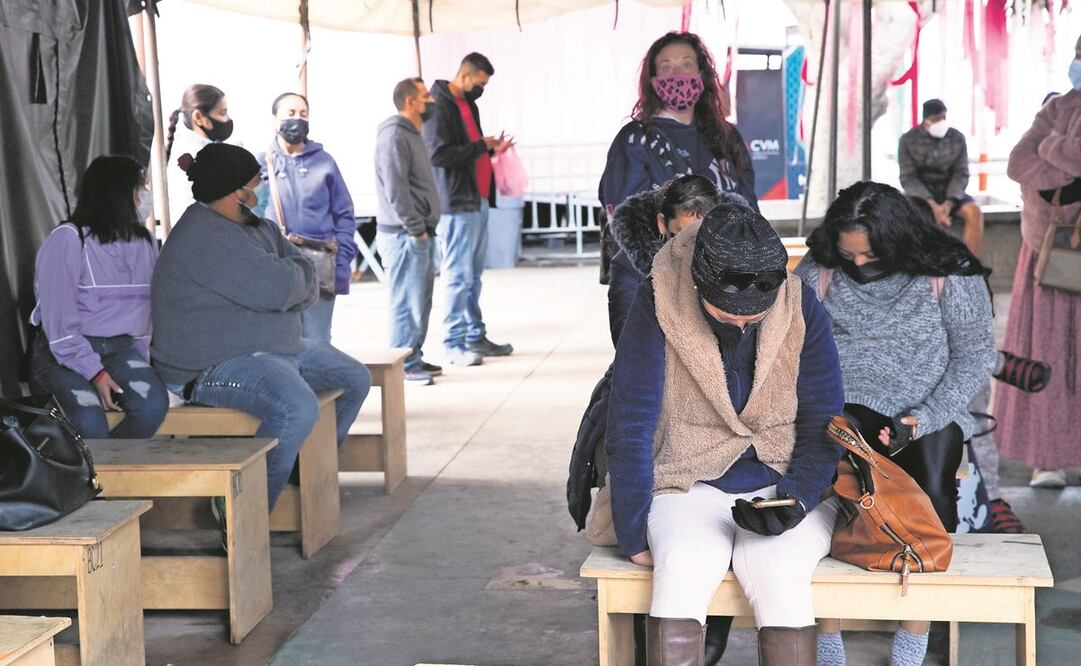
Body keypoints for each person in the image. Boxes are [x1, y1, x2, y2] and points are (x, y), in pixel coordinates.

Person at [607, 204, 844, 665]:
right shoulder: (657, 303)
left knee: (781, 573)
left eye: (754, 318)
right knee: (681, 567)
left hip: (782, 478)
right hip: (686, 477)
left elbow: (823, 421)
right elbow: (631, 423)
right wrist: (633, 533)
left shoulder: (801, 307)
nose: (741, 324)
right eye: (728, 313)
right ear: (699, 284)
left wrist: (796, 499)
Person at [795, 182, 996, 666]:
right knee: (822, 494)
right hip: (836, 406)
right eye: (849, 257)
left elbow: (975, 354)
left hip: (925, 411)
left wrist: (924, 418)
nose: (859, 266)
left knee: (928, 494)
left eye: (871, 257)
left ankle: (914, 633)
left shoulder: (947, 269)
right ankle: (827, 634)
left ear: (899, 242)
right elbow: (789, 347)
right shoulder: (819, 269)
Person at [151, 143, 371, 512]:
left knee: (354, 378)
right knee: (297, 408)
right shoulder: (206, 236)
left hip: (275, 349)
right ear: (234, 190)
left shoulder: (258, 227)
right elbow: (284, 286)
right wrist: (287, 291)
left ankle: (300, 469)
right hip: (211, 366)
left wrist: (287, 291)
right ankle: (243, 513)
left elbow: (305, 276)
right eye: (255, 182)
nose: (261, 189)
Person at [597, 31, 758, 283]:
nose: (678, 74)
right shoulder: (634, 140)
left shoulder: (727, 137)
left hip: (723, 285)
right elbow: (626, 219)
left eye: (686, 64)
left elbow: (749, 210)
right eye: (667, 67)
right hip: (650, 282)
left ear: (701, 74)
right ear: (653, 80)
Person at [994, 36, 1081, 490]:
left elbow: (1044, 157)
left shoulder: (1055, 118)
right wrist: (1057, 152)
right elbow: (1017, 163)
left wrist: (1053, 150)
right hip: (1050, 251)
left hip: (1056, 247)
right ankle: (1047, 457)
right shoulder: (1057, 107)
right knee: (1045, 353)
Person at [28, 155, 168, 438]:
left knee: (153, 405)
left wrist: (141, 366)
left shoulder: (143, 242)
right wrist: (95, 373)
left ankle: (106, 475)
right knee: (89, 419)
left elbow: (144, 320)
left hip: (121, 350)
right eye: (140, 187)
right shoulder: (68, 239)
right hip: (61, 355)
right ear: (117, 193)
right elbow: (60, 330)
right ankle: (91, 478)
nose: (145, 196)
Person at [423, 52, 514, 366]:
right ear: (464, 75)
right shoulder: (437, 105)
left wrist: (491, 150)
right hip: (455, 202)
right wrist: (481, 146)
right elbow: (438, 155)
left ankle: (475, 335)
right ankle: (453, 342)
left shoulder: (468, 105)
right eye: (480, 83)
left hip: (476, 199)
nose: (482, 89)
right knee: (458, 276)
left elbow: (470, 150)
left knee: (473, 276)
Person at [258, 92, 359, 342]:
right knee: (281, 341)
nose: (297, 119)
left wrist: (342, 258)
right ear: (275, 121)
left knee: (318, 341)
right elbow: (250, 215)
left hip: (320, 265)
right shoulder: (262, 163)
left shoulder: (325, 162)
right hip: (278, 265)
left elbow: (344, 213)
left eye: (303, 114)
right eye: (290, 114)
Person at [374, 78, 442, 385]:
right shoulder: (393, 137)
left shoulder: (414, 133)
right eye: (426, 96)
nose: (431, 100)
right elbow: (395, 189)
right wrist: (416, 231)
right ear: (410, 101)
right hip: (404, 236)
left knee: (420, 300)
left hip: (418, 232)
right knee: (405, 301)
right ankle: (402, 363)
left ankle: (413, 355)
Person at [898, 98, 984, 255]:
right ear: (926, 120)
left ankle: (970, 271)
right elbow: (908, 178)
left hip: (951, 195)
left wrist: (948, 204)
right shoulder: (908, 140)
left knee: (974, 212)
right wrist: (932, 204)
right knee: (912, 218)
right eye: (936, 119)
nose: (941, 122)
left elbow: (961, 173)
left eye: (943, 118)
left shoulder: (957, 138)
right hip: (920, 197)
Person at [165, 84, 232, 225]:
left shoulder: (194, 150)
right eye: (222, 113)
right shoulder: (196, 156)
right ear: (198, 117)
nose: (227, 119)